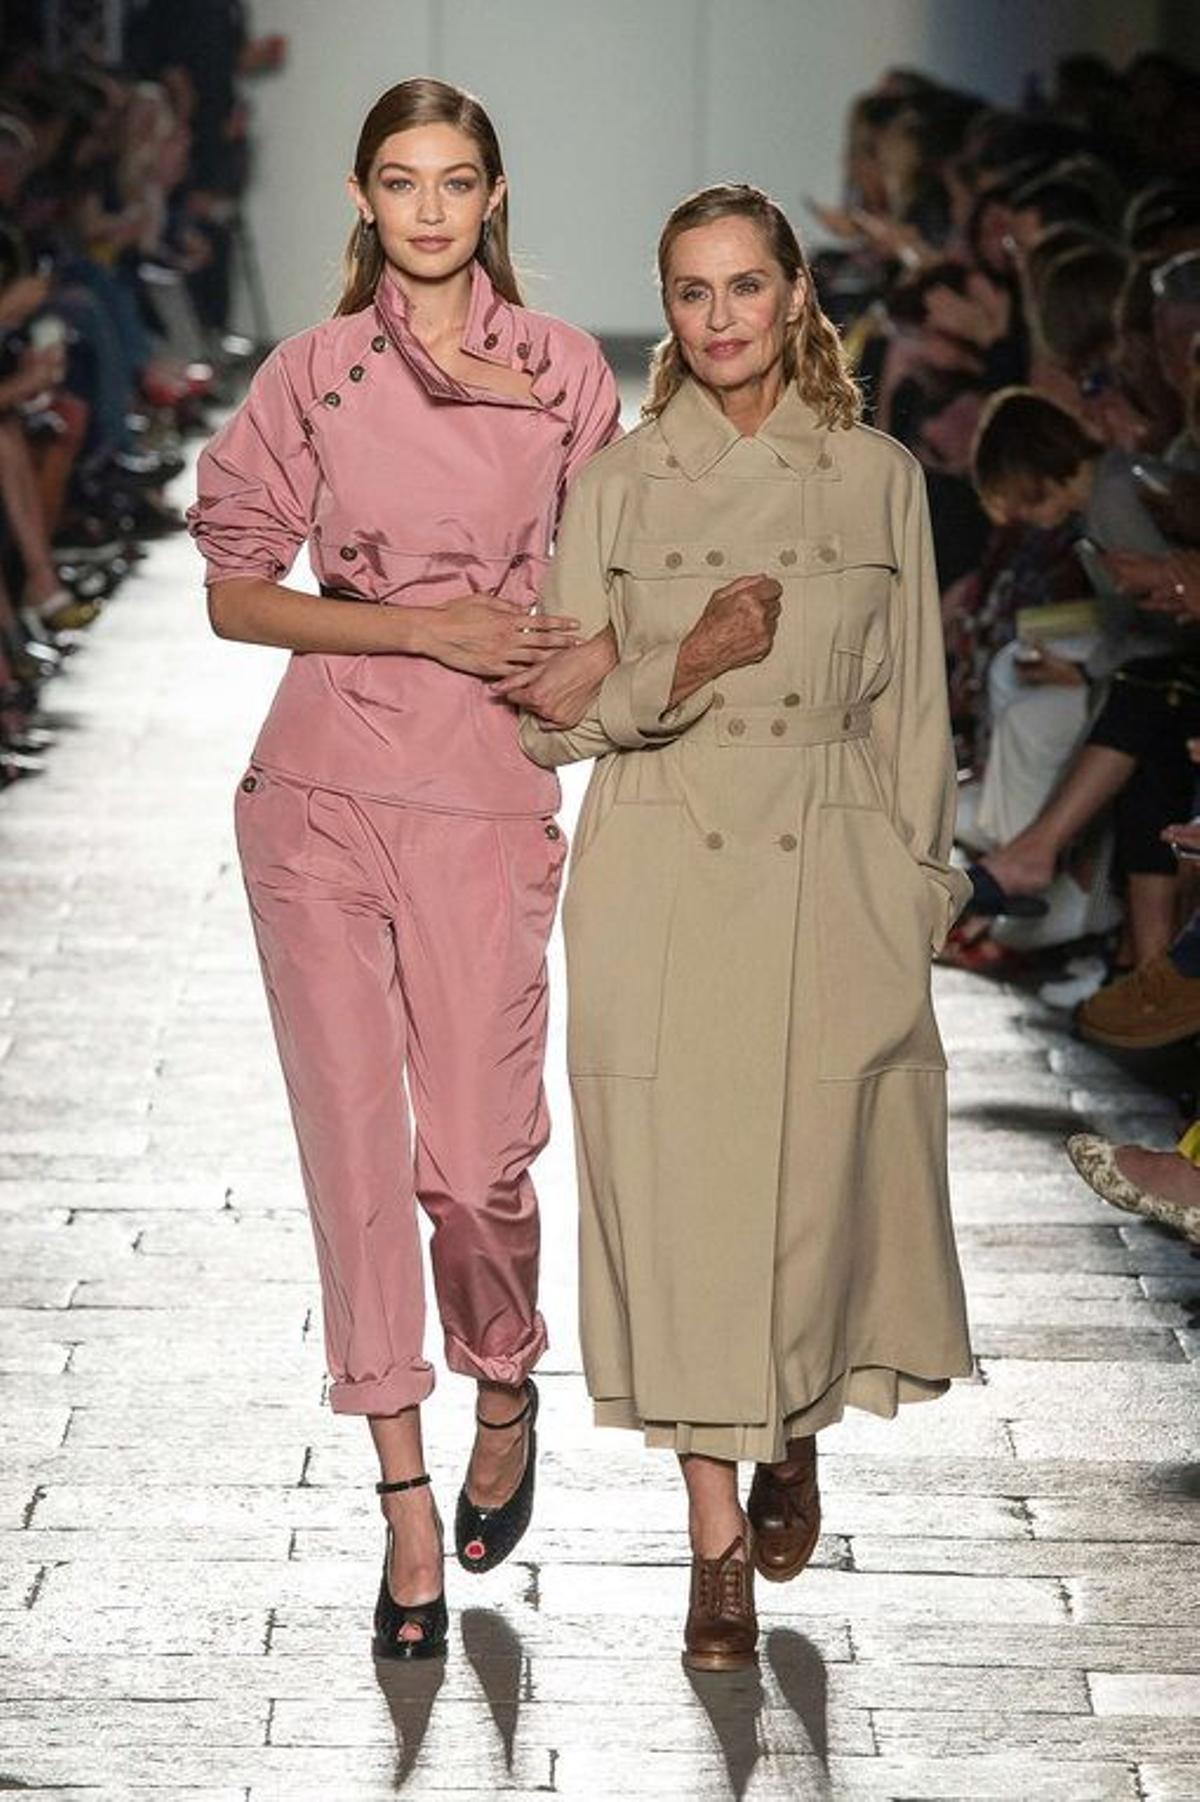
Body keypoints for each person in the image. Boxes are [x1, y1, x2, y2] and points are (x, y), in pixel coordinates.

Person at [509, 184, 974, 1672]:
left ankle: (786, 1432)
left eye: (746, 288)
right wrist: (685, 661)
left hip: (829, 867)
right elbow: (544, 725)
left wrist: (921, 887)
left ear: (794, 300)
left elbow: (916, 715)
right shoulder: (621, 487)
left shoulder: (877, 476)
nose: (720, 318)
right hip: (659, 862)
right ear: (670, 308)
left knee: (811, 1201)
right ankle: (714, 1553)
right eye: (693, 292)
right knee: (684, 1211)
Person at [187, 77, 620, 1661]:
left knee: (479, 1158)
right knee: (361, 1162)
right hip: (317, 789)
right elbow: (237, 590)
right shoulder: (313, 372)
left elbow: (599, 580)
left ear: (493, 197)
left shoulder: (566, 372)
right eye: (398, 180)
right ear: (362, 201)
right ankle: (406, 1508)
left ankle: (503, 1366)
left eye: (456, 181)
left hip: (483, 785)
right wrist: (417, 623)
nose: (427, 208)